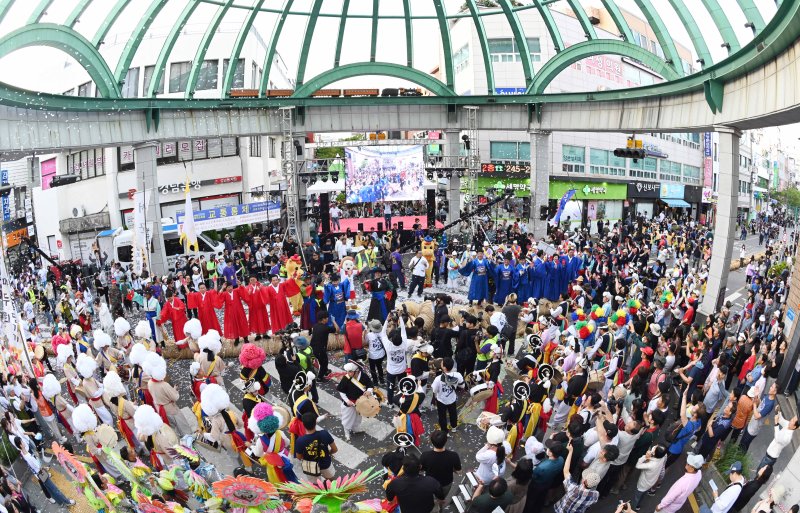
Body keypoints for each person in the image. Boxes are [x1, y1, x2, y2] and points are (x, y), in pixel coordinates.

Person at [13, 437, 75, 506]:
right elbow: (38, 466)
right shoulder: (28, 456)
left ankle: (60, 503)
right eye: (22, 441)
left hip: (38, 475)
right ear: (21, 445)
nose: (23, 442)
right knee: (54, 489)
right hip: (41, 473)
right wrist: (42, 464)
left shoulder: (23, 453)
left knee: (50, 490)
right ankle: (67, 502)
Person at [554, 441, 601, 513]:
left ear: (583, 481)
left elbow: (566, 471)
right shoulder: (595, 495)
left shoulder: (573, 488)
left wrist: (570, 452)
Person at [420, 430, 462, 512]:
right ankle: (440, 505)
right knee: (442, 497)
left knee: (430, 495)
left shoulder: (425, 455)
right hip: (446, 483)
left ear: (431, 442)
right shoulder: (453, 455)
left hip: (430, 482)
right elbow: (459, 471)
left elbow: (421, 470)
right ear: (446, 441)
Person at [337, 361, 375, 441]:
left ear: (356, 371)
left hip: (360, 402)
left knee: (358, 417)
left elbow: (370, 385)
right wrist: (347, 401)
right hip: (350, 402)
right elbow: (341, 391)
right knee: (347, 418)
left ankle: (355, 428)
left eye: (350, 371)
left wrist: (369, 391)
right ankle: (346, 431)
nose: (348, 373)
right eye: (347, 371)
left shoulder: (363, 376)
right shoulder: (346, 378)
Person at [294, 412, 337, 479]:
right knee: (330, 479)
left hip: (311, 466)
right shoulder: (324, 434)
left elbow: (299, 457)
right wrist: (328, 452)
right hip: (325, 463)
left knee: (316, 483)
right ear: (315, 422)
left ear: (303, 424)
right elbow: (335, 449)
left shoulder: (300, 440)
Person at [430, 357, 463, 433]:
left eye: (442, 363)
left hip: (441, 400)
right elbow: (462, 386)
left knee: (442, 416)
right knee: (453, 413)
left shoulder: (438, 378)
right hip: (452, 398)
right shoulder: (457, 375)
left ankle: (444, 431)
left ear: (444, 367)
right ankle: (454, 427)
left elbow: (434, 390)